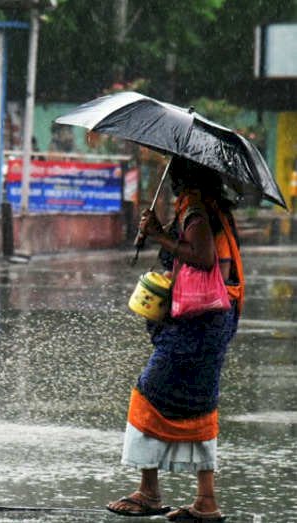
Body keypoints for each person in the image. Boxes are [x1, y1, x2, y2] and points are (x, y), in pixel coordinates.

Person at [106, 157, 244, 523]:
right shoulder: (209, 208)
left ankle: (149, 493)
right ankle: (206, 502)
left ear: (182, 178)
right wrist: (159, 231)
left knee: (148, 395)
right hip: (213, 324)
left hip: (196, 327)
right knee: (199, 406)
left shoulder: (196, 210)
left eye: (173, 172)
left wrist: (158, 236)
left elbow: (202, 257)